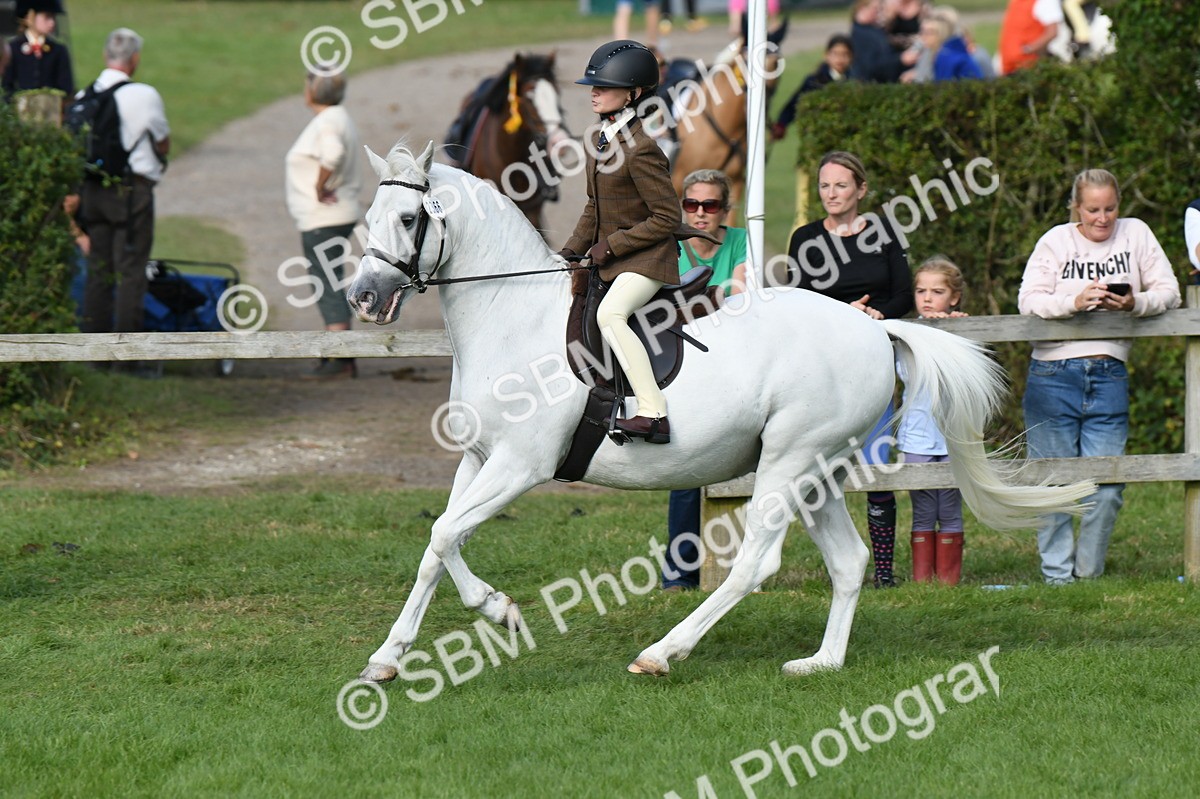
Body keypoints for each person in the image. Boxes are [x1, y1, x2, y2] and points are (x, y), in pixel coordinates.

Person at [1018, 168, 1181, 584]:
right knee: (1052, 483)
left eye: (1110, 208)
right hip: (1052, 371)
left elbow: (1169, 291)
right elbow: (1029, 300)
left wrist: (1133, 302)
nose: (1102, 218)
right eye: (1092, 210)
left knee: (1107, 486)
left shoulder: (1137, 233)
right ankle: (1057, 578)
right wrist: (1074, 301)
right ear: (1076, 207)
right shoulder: (1055, 240)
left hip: (1109, 372)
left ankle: (1087, 577)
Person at [787, 151, 913, 587]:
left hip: (874, 360)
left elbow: (904, 294)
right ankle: (837, 562)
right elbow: (797, 299)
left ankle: (883, 569)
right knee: (816, 468)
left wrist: (874, 314)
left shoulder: (883, 232)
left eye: (841, 185)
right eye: (824, 185)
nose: (831, 194)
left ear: (861, 189)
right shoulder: (805, 239)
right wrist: (843, 313)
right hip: (821, 366)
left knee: (878, 463)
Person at [559, 40, 682, 444]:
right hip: (616, 257)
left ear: (632, 94)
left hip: (649, 259)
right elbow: (594, 206)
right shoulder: (597, 139)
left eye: (604, 85)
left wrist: (610, 246)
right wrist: (567, 252)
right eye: (592, 85)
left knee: (610, 315)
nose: (593, 91)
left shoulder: (642, 148)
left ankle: (652, 412)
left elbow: (667, 218)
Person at [662, 169, 747, 589]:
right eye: (691, 205)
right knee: (687, 467)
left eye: (710, 205)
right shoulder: (669, 246)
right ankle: (679, 573)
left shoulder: (741, 241)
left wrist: (704, 300)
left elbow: (745, 298)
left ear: (725, 211)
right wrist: (719, 297)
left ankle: (738, 569)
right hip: (684, 364)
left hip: (734, 363)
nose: (699, 213)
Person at [78, 29, 170, 347]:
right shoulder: (144, 95)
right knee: (131, 270)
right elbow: (162, 140)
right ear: (135, 59)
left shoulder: (84, 96)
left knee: (98, 269)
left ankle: (92, 350)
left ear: (106, 55)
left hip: (92, 192)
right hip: (132, 193)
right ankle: (128, 352)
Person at [285, 71, 363, 380]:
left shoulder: (328, 121)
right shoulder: (339, 117)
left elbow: (333, 154)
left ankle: (339, 357)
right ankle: (340, 354)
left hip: (324, 217)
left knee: (327, 282)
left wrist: (319, 187)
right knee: (331, 279)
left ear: (312, 91)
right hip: (336, 215)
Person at [899, 257, 969, 584]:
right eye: (920, 290)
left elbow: (969, 377)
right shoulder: (908, 333)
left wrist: (952, 333)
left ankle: (948, 583)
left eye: (937, 291)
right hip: (917, 436)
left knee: (951, 509)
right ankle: (922, 581)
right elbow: (906, 374)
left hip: (954, 437)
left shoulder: (964, 330)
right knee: (924, 509)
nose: (927, 298)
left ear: (953, 297)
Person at [771, 34, 852, 141]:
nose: (840, 59)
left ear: (851, 57)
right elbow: (794, 104)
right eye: (835, 54)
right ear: (826, 55)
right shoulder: (814, 81)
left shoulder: (856, 81)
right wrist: (782, 124)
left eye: (845, 54)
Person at [2, 0, 73, 100]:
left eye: (53, 17)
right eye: (47, 17)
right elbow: (6, 85)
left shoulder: (58, 50)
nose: (52, 23)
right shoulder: (13, 49)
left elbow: (66, 87)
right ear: (29, 17)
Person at [850, 0, 916, 84]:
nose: (878, 13)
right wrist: (900, 59)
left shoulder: (871, 29)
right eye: (875, 9)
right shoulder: (860, 35)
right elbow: (870, 66)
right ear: (863, 8)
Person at [998, 0, 1063, 75]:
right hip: (1009, 66)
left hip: (1029, 67)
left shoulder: (1045, 2)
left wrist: (1027, 49)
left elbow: (1052, 32)